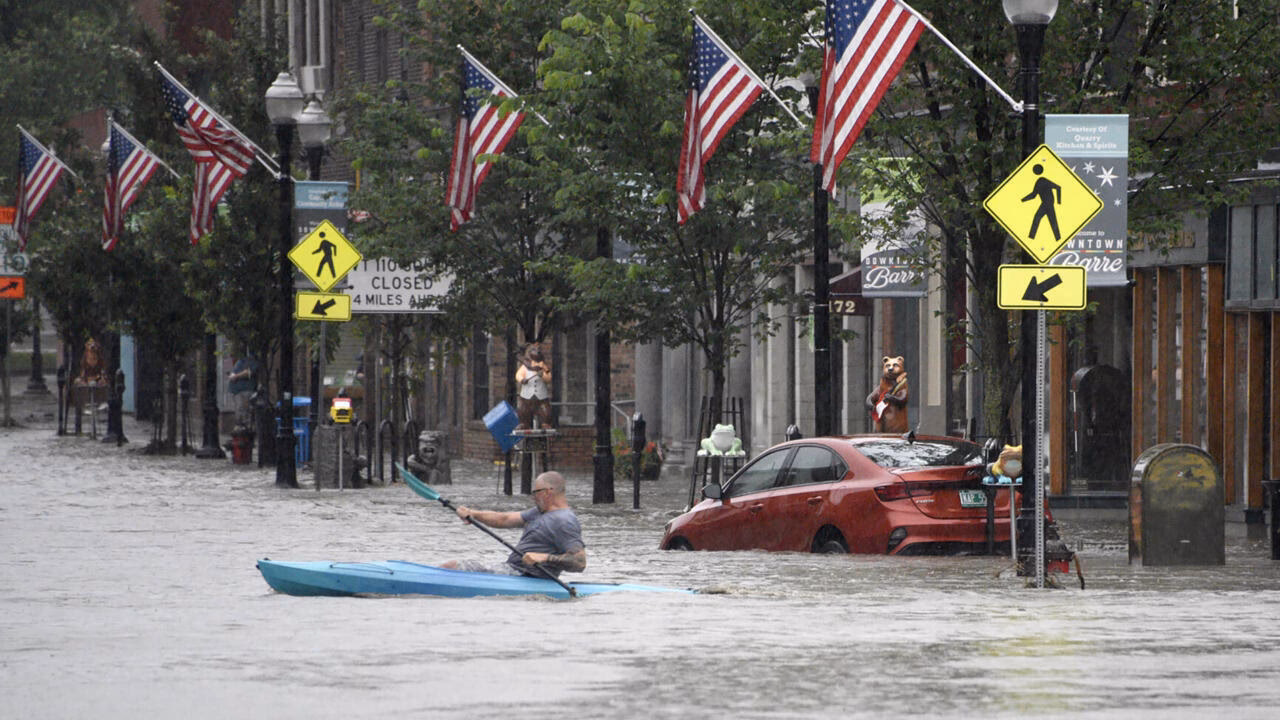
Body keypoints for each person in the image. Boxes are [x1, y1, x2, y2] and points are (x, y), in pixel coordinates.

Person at [441, 471, 586, 578]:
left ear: (547, 492)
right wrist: (473, 514)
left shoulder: (564, 521)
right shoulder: (539, 512)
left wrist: (544, 557)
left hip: (525, 576)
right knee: (452, 566)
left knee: (452, 567)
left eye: (535, 492)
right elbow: (504, 519)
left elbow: (579, 562)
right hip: (511, 570)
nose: (532, 497)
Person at [227, 347, 259, 429]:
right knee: (240, 410)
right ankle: (240, 427)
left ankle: (245, 429)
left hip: (245, 391)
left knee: (244, 410)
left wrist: (236, 376)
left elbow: (249, 372)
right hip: (237, 391)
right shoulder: (241, 360)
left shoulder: (251, 360)